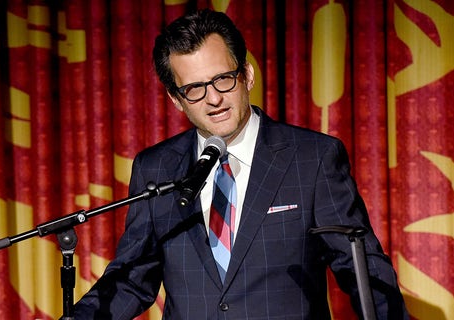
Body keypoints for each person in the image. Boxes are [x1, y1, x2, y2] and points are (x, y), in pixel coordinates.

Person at [74, 9, 407, 319]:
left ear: (246, 75)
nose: (214, 98)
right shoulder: (156, 168)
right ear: (176, 98)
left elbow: (361, 268)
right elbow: (133, 277)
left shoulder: (312, 158)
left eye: (223, 79)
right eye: (194, 88)